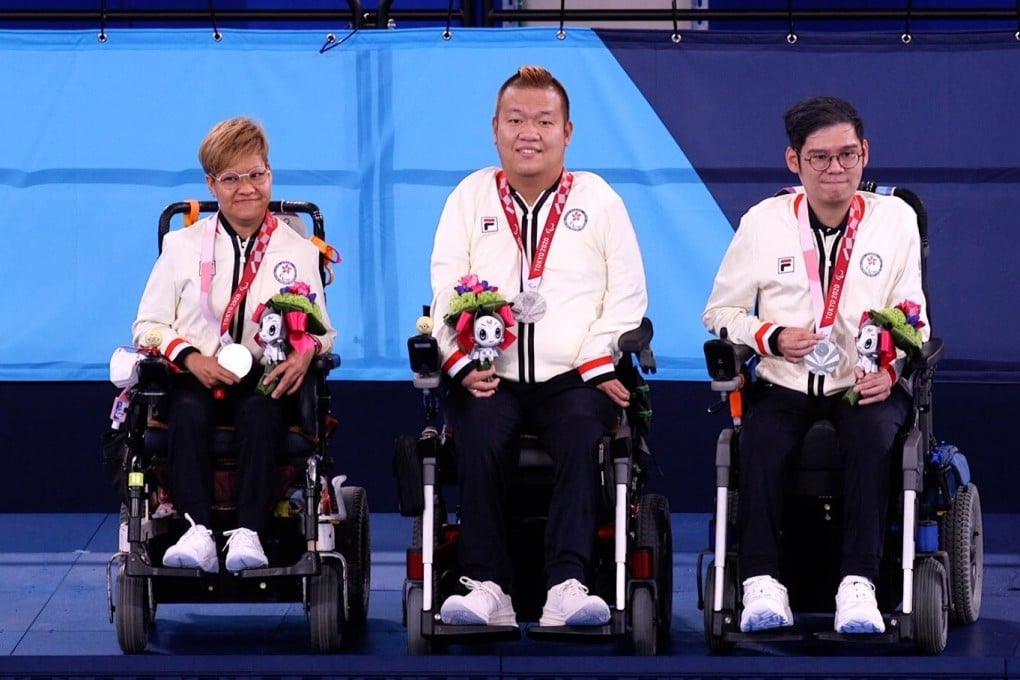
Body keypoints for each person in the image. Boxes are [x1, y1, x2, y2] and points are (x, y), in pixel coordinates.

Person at [429, 65, 648, 628]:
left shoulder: (599, 200)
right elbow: (445, 293)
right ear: (495, 128)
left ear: (567, 131)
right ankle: (487, 587)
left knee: (581, 432)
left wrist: (599, 365)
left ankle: (567, 586)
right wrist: (459, 364)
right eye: (516, 120)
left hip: (575, 376)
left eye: (544, 121)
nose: (530, 132)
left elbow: (628, 300)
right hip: (489, 373)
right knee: (477, 432)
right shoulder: (469, 196)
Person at [702, 95, 930, 634]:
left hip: (864, 383)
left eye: (848, 155)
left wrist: (892, 371)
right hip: (785, 382)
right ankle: (761, 581)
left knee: (873, 438)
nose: (836, 169)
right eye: (820, 157)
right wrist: (771, 335)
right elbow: (720, 311)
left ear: (865, 153)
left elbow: (914, 318)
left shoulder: (895, 220)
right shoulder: (763, 222)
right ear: (794, 161)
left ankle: (860, 583)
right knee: (757, 442)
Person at [132, 116, 336, 574]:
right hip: (193, 377)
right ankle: (196, 529)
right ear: (212, 183)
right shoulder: (181, 245)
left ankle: (249, 533)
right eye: (231, 178)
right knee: (186, 412)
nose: (246, 188)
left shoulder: (299, 250)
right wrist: (189, 356)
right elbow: (146, 324)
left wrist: (306, 352)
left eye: (256, 174)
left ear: (270, 173)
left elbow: (323, 331)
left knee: (260, 412)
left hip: (265, 380)